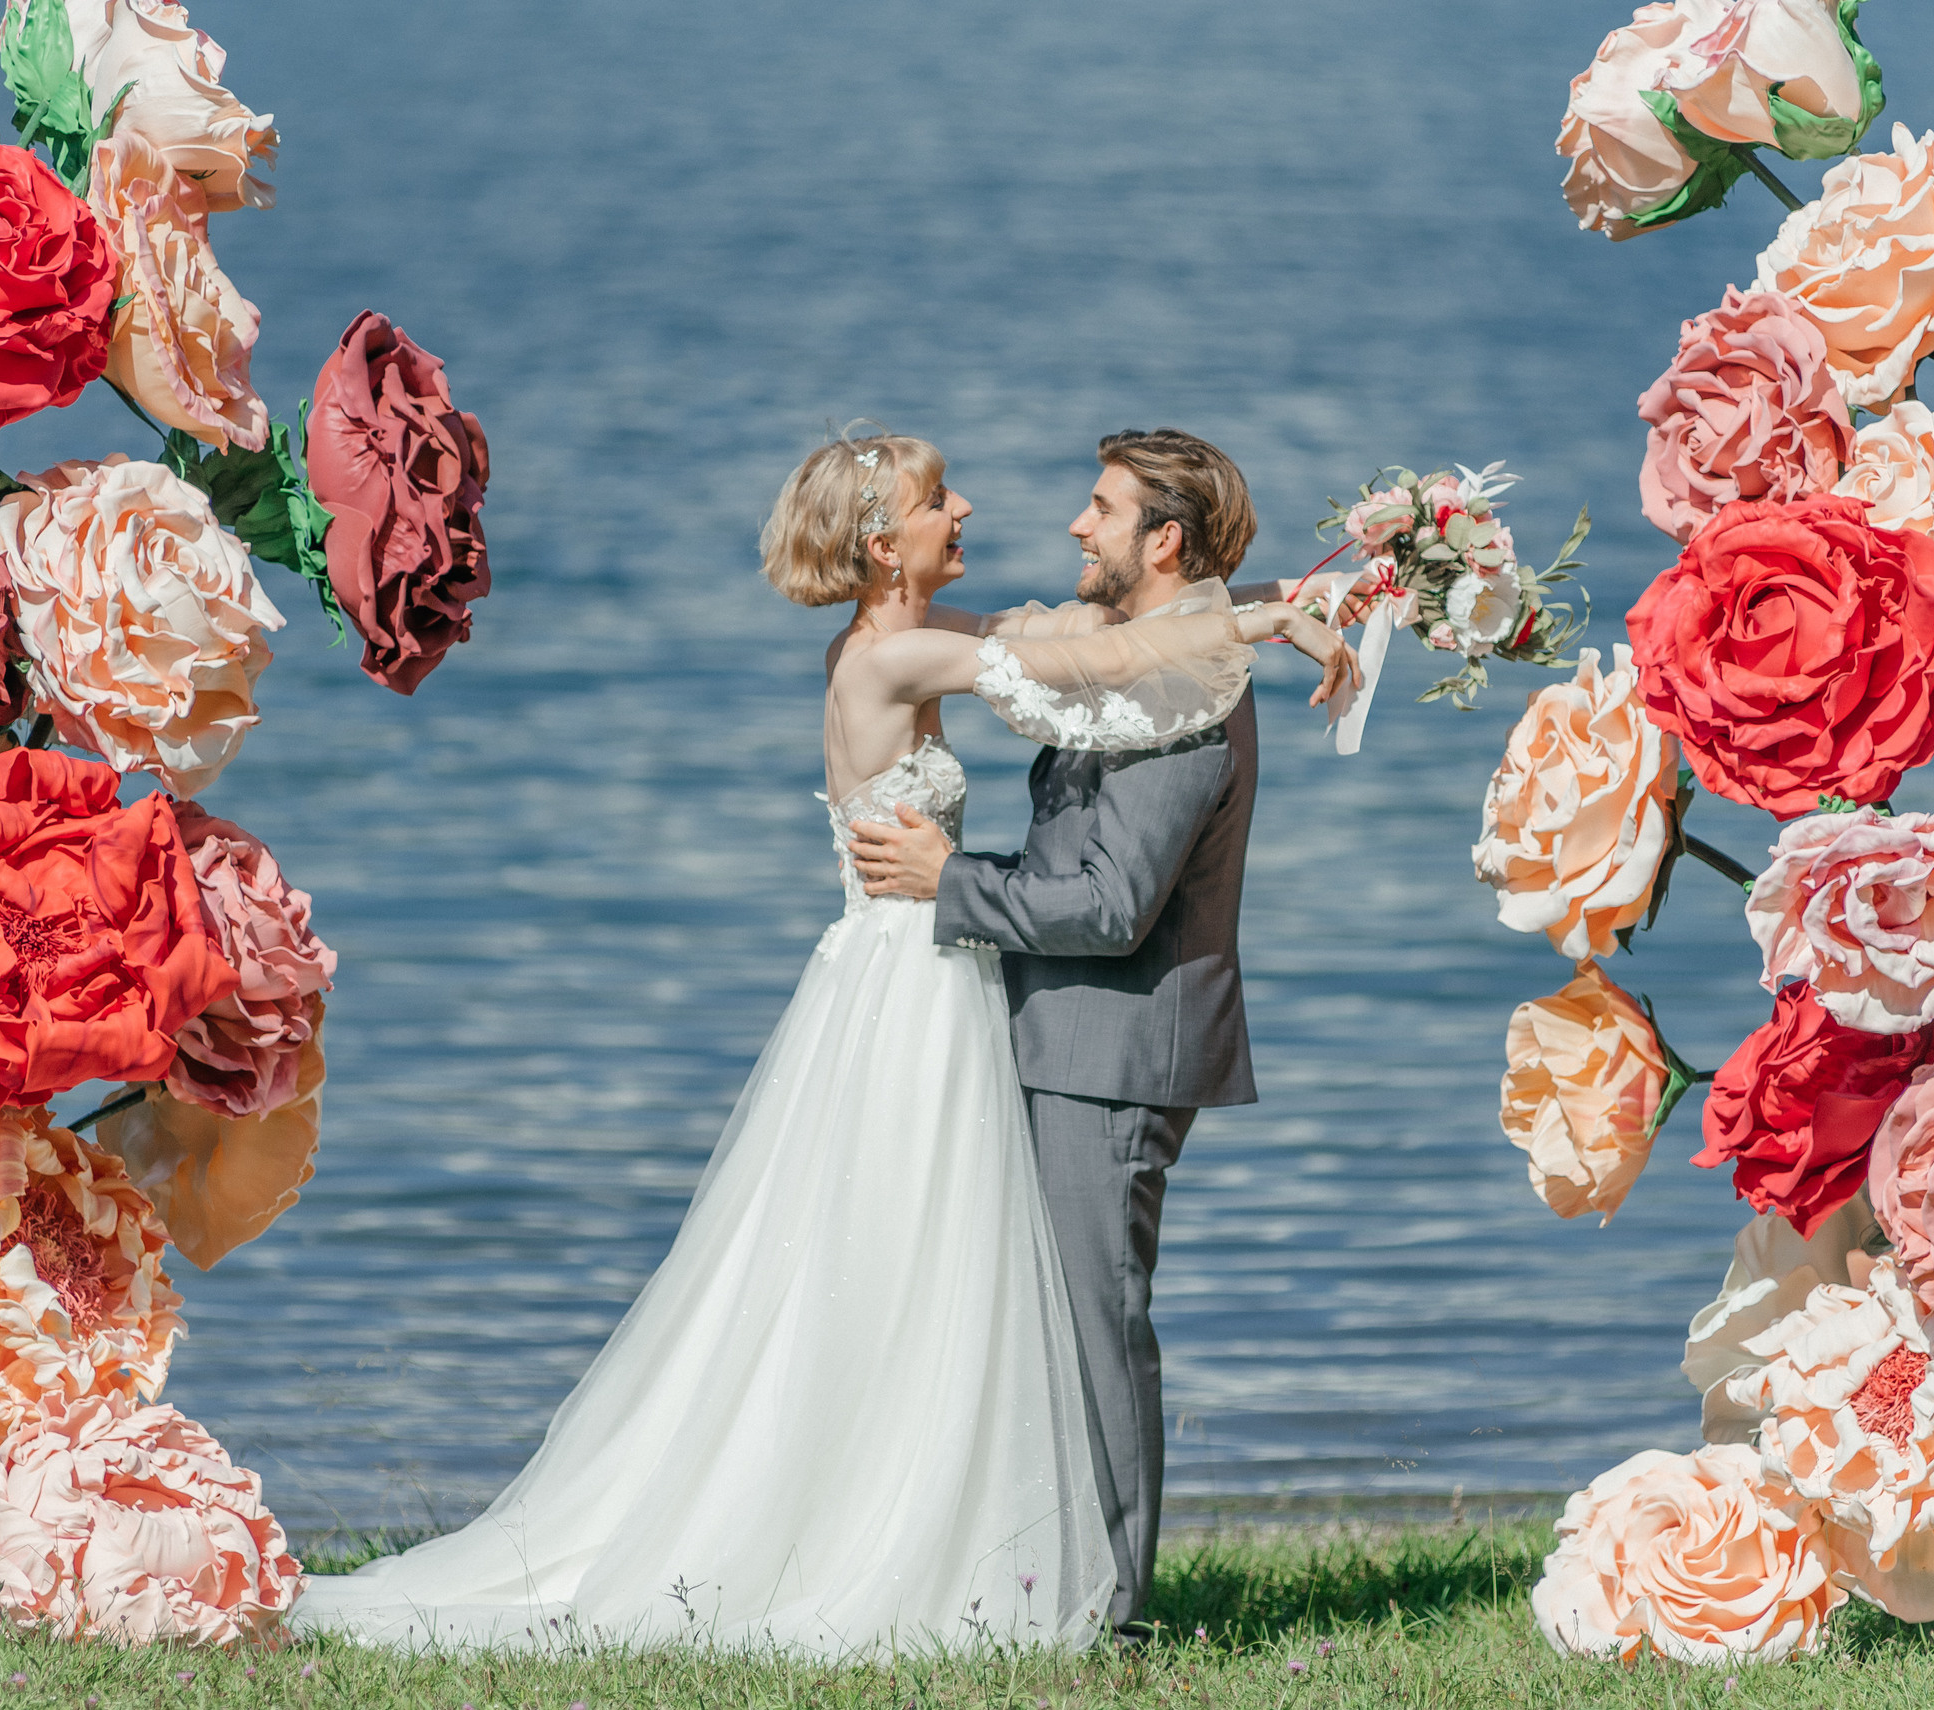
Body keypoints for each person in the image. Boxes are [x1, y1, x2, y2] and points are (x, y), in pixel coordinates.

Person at [288, 429, 1352, 1654]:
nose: (974, 506)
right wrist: (1268, 623)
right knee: (912, 1271)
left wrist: (1277, 603)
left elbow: (1075, 639)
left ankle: (974, 1548)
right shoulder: (895, 655)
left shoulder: (909, 638)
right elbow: (1098, 653)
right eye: (939, 498)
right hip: (915, 991)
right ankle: (950, 1560)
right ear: (881, 540)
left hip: (931, 984)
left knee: (927, 1278)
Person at [847, 427, 1285, 1635]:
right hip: (1074, 1039)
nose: (1076, 529)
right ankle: (1049, 1573)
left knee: (1097, 1324)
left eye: (1100, 511)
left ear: (1163, 540)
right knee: (1055, 1318)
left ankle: (1114, 1606)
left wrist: (951, 876)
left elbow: (1104, 904)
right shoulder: (1152, 657)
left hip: (1112, 1049)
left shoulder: (1182, 704)